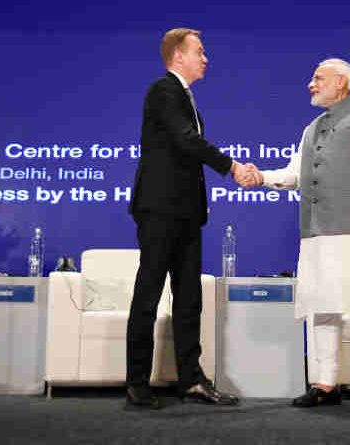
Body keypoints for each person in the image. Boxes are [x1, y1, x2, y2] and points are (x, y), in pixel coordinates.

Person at [242, 58, 350, 415]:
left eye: (318, 78)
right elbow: (293, 174)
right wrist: (262, 177)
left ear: (342, 83)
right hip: (317, 233)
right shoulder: (311, 128)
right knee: (323, 307)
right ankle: (326, 384)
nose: (310, 84)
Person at [126, 28, 248, 409]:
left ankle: (191, 380)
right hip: (160, 210)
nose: (205, 58)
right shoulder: (163, 91)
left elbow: (185, 155)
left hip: (186, 215)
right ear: (178, 57)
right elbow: (185, 141)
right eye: (199, 51)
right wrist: (231, 167)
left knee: (189, 299)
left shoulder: (187, 99)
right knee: (148, 296)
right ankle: (136, 383)